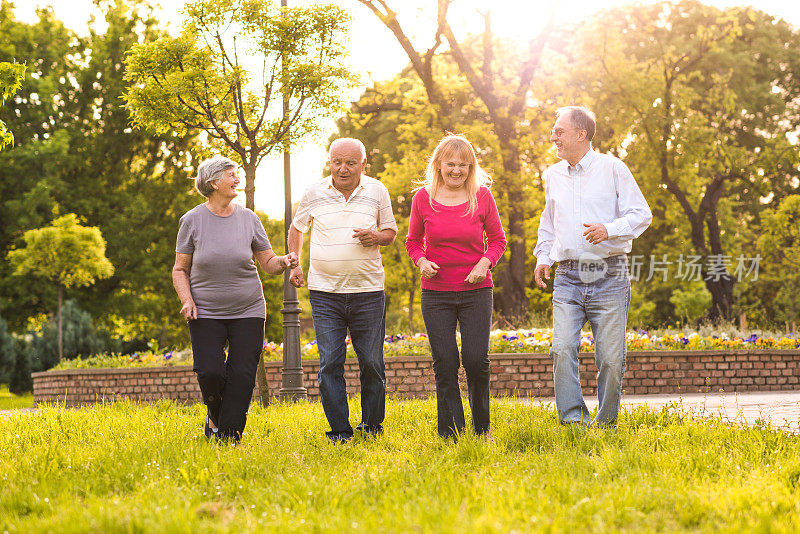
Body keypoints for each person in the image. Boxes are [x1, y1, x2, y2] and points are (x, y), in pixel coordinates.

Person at [533, 106, 652, 427]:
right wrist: (543, 257)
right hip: (568, 276)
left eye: (559, 131)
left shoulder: (613, 168)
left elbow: (642, 214)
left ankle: (606, 423)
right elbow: (549, 222)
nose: (552, 136)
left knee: (611, 359)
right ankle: (573, 421)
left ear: (581, 134)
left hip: (609, 274)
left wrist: (608, 229)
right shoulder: (552, 175)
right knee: (561, 349)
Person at [172, 156, 298, 442]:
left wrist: (285, 261)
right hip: (205, 311)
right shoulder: (191, 221)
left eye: (237, 174)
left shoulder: (249, 218)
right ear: (213, 182)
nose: (237, 179)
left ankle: (228, 437)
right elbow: (180, 269)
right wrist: (187, 300)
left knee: (242, 374)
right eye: (231, 174)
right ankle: (215, 416)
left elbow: (267, 263)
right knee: (210, 371)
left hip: (248, 308)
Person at [288, 138, 397, 442]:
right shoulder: (314, 192)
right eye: (337, 162)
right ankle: (339, 431)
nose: (342, 169)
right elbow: (297, 228)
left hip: (368, 291)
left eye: (350, 163)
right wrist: (295, 265)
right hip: (325, 294)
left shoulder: (377, 190)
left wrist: (376, 235)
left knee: (372, 362)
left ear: (364, 163)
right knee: (331, 363)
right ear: (330, 161)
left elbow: (390, 232)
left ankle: (372, 427)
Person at [405, 134, 507, 438]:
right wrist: (421, 261)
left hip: (476, 292)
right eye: (450, 164)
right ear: (438, 165)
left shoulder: (483, 196)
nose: (456, 170)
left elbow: (498, 241)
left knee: (476, 360)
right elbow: (412, 242)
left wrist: (485, 262)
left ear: (471, 166)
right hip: (436, 294)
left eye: (463, 165)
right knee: (446, 362)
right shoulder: (422, 198)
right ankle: (451, 432)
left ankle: (482, 428)